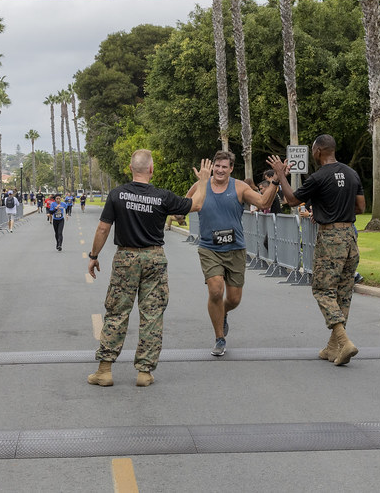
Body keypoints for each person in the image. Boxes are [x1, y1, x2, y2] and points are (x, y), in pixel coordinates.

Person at [85, 151, 212, 388]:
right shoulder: (162, 197)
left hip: (125, 257)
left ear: (130, 168)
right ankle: (144, 372)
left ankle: (104, 370)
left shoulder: (116, 195)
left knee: (117, 312)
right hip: (154, 257)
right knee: (152, 314)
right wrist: (203, 181)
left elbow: (103, 229)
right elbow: (196, 204)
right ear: (151, 170)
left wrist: (94, 256)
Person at [268, 134, 365, 366]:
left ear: (318, 151)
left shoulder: (318, 177)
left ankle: (344, 341)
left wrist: (281, 175)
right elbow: (360, 207)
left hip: (330, 237)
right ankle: (333, 348)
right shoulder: (352, 173)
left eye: (313, 150)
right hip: (350, 236)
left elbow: (291, 200)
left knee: (323, 289)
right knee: (343, 292)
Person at [185, 150, 281, 356]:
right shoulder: (200, 185)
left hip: (235, 249)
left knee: (234, 299)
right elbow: (184, 205)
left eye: (224, 167)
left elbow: (264, 203)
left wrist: (276, 182)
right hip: (209, 248)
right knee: (216, 290)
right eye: (216, 166)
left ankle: (223, 312)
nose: (220, 170)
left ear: (230, 169)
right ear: (212, 167)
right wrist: (176, 214)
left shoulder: (239, 187)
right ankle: (219, 338)